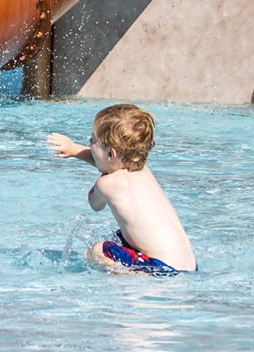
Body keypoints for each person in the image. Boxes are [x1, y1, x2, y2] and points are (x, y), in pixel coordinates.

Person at [47, 104, 196, 274]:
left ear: (111, 154)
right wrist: (74, 150)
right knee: (119, 236)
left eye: (93, 139)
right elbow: (109, 164)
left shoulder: (106, 184)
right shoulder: (142, 170)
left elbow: (95, 205)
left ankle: (137, 277)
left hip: (163, 270)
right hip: (188, 265)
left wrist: (99, 181)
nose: (89, 141)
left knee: (97, 251)